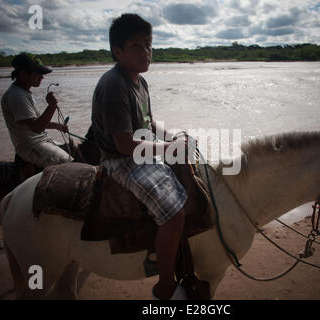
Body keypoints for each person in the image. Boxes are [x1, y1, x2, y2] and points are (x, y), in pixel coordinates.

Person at [91, 14, 189, 300]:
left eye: (148, 44)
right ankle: (166, 285)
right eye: (136, 45)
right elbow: (123, 145)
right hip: (121, 160)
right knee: (174, 214)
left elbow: (149, 124)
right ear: (117, 52)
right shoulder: (114, 85)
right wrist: (169, 149)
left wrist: (174, 136)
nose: (145, 52)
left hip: (139, 149)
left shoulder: (139, 81)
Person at [1, 52, 72, 169]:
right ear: (23, 74)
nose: (42, 77)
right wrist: (52, 106)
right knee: (69, 165)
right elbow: (37, 127)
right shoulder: (17, 95)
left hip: (41, 140)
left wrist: (57, 126)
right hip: (30, 146)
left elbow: (35, 122)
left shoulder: (24, 92)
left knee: (72, 149)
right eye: (38, 73)